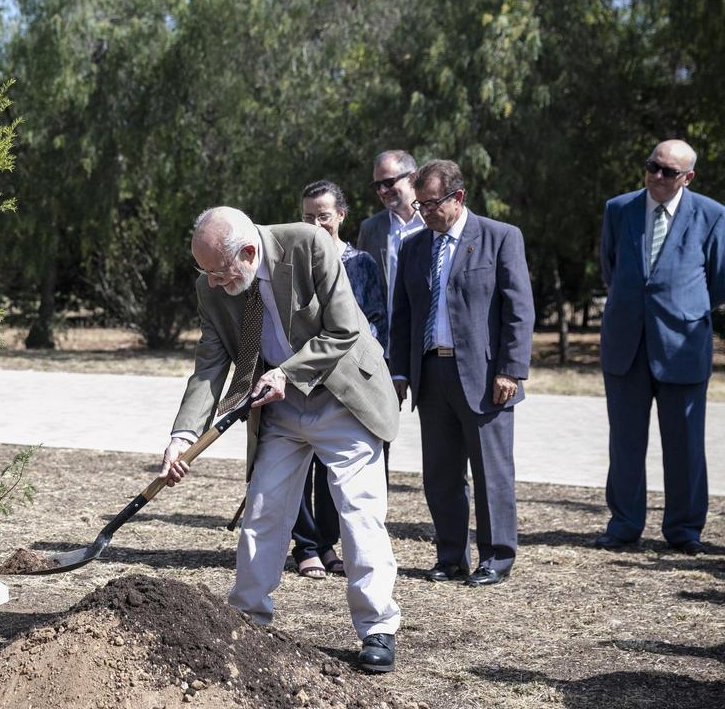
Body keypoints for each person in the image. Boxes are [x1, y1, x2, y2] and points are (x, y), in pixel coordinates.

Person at [159, 206, 402, 672]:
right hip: (281, 411)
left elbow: (345, 329)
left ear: (249, 252)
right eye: (204, 271)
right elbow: (210, 366)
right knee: (263, 512)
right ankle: (246, 617)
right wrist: (182, 435)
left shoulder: (308, 245)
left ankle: (378, 628)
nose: (211, 282)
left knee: (358, 513)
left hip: (342, 397)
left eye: (217, 271)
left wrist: (287, 374)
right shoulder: (211, 290)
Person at [389, 160, 534, 587]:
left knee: (492, 472)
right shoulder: (415, 246)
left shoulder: (500, 237)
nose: (424, 212)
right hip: (431, 374)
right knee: (441, 474)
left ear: (458, 197)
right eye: (419, 204)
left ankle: (496, 557)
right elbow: (403, 316)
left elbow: (519, 311)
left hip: (486, 377)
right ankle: (451, 556)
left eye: (432, 203)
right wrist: (399, 372)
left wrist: (511, 369)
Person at [596, 139, 725, 556]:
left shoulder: (712, 214)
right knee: (626, 442)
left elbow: (719, 279)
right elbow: (610, 267)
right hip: (626, 344)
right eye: (652, 166)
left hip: (682, 345)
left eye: (667, 171)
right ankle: (624, 524)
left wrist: (684, 308)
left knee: (685, 443)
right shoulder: (619, 209)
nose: (656, 176)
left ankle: (684, 529)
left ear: (687, 177)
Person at [293, 180, 387, 579]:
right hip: (300, 377)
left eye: (324, 216)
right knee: (295, 461)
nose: (316, 224)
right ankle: (306, 546)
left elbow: (377, 322)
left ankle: (327, 542)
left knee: (335, 469)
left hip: (346, 382)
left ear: (342, 216)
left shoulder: (360, 263)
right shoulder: (294, 263)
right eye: (308, 217)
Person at [357, 150, 427, 337]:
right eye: (377, 185)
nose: (382, 191)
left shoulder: (435, 221)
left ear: (413, 178)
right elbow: (362, 286)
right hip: (388, 344)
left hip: (430, 342)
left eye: (388, 183)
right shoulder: (370, 228)